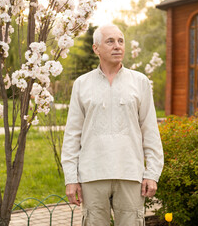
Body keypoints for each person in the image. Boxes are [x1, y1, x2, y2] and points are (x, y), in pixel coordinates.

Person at [61, 24, 164, 226]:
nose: (117, 46)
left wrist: (152, 173)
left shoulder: (140, 82)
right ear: (96, 48)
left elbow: (150, 130)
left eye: (120, 41)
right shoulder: (82, 84)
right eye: (110, 41)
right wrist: (71, 178)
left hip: (130, 173)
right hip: (92, 174)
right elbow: (72, 134)